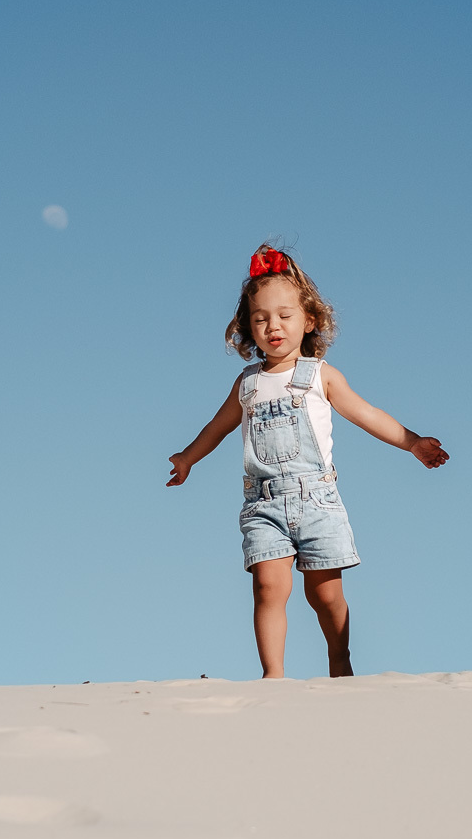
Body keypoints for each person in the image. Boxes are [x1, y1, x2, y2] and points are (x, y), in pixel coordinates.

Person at [167, 243, 449, 680]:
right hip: (262, 505)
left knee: (326, 596)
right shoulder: (247, 385)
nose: (272, 326)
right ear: (248, 328)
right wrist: (188, 458)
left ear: (310, 320)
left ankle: (340, 659)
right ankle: (273, 676)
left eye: (284, 316)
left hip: (317, 501)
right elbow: (218, 427)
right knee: (267, 587)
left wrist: (411, 442)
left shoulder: (320, 374)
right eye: (260, 319)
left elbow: (367, 414)